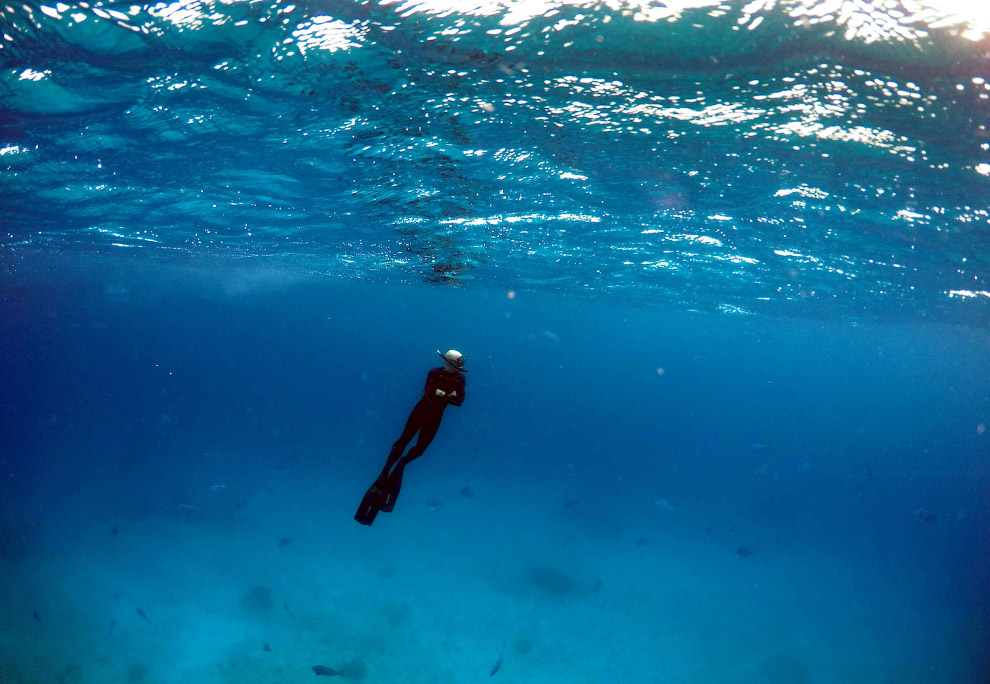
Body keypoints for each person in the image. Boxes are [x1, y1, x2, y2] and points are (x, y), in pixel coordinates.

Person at [354, 349, 467, 526]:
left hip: (435, 417)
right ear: (449, 362)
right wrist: (447, 396)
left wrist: (442, 395)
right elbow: (431, 393)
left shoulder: (460, 379)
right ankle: (384, 474)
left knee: (419, 451)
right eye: (458, 363)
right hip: (421, 412)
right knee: (402, 442)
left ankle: (400, 466)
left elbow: (460, 401)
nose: (460, 367)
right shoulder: (435, 373)